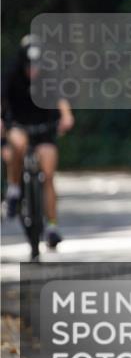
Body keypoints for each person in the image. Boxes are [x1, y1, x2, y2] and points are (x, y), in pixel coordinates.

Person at [1, 35, 75, 248]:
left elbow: (60, 99)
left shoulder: (49, 75)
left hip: (44, 129)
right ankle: (14, 189)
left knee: (48, 174)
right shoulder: (12, 72)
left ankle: (52, 226)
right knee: (17, 145)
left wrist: (66, 116)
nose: (33, 70)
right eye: (29, 66)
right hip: (18, 125)